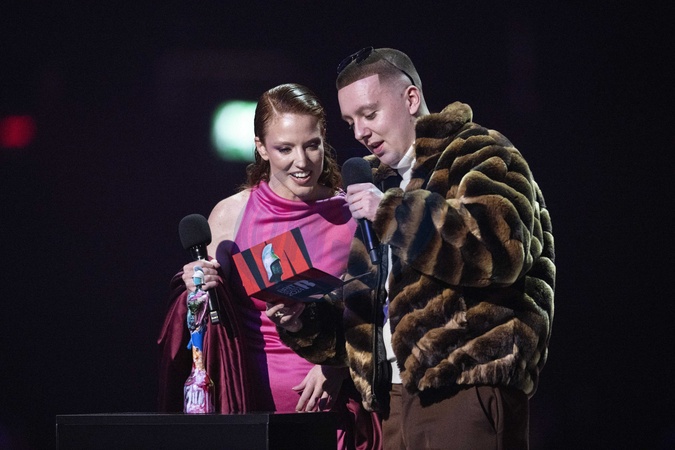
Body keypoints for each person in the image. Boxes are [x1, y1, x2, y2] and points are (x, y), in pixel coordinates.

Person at [276, 48, 555, 449]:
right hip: (391, 401)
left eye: (370, 114)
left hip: (465, 388)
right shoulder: (381, 183)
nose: (359, 133)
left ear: (410, 99)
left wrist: (393, 213)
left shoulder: (479, 152)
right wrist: (304, 319)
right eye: (351, 122)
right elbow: (365, 319)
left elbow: (499, 252)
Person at [157, 83, 381, 450]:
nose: (302, 162)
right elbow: (206, 321)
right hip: (247, 408)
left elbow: (380, 314)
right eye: (285, 149)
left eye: (312, 145)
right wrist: (193, 288)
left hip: (329, 414)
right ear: (261, 147)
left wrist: (337, 367)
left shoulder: (352, 216)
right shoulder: (230, 214)